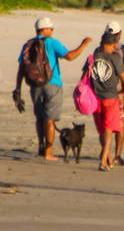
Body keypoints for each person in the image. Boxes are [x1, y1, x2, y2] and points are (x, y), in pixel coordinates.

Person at [15, 17, 92, 161]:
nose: (52, 30)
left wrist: (18, 89)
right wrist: (83, 45)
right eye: (51, 28)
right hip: (53, 84)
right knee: (50, 120)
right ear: (45, 29)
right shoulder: (52, 42)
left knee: (40, 118)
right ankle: (48, 153)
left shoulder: (28, 44)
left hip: (34, 85)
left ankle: (41, 146)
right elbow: (70, 56)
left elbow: (21, 69)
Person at [90, 32, 124, 171]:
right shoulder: (115, 58)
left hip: (95, 98)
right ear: (111, 45)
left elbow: (85, 77)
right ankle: (103, 159)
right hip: (110, 97)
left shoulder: (92, 58)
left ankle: (107, 157)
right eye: (114, 45)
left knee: (102, 130)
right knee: (108, 129)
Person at [103, 20, 124, 165]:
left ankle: (106, 153)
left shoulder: (100, 49)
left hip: (102, 91)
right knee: (120, 124)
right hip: (120, 92)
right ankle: (117, 155)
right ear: (120, 33)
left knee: (106, 124)